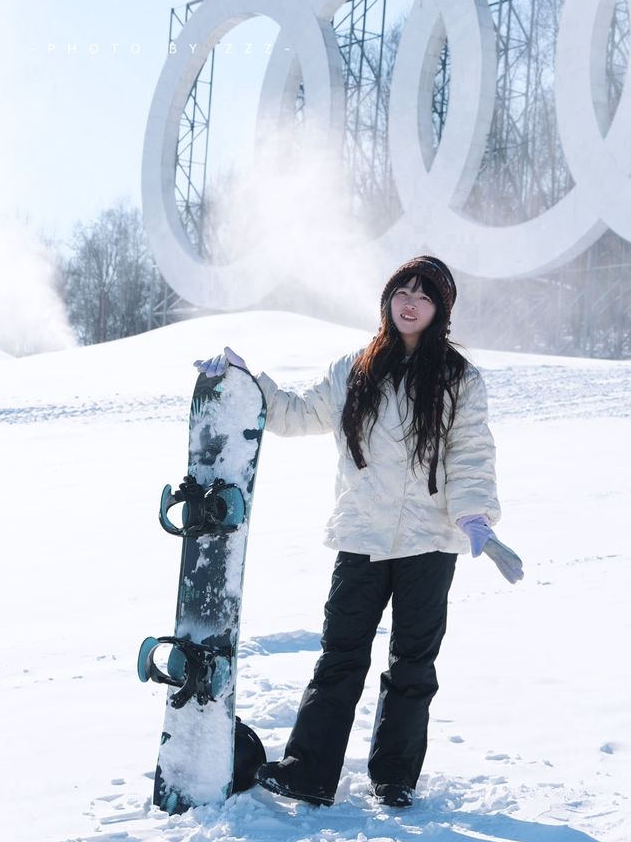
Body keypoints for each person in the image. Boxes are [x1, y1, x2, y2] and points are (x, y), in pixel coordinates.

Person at [195, 255, 523, 809]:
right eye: (402, 292)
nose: (410, 303)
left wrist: (474, 518)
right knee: (340, 655)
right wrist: (245, 382)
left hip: (429, 540)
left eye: (424, 295)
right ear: (388, 299)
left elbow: (470, 452)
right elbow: (297, 414)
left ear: (440, 309)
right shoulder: (353, 368)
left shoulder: (459, 378)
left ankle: (395, 777)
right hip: (362, 537)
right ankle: (308, 772)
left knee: (413, 662)